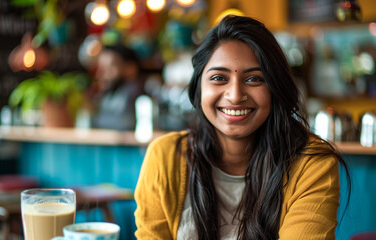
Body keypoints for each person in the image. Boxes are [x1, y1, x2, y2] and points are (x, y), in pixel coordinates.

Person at [134, 15, 350, 240]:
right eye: (218, 78)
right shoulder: (165, 156)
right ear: (199, 88)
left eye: (254, 79)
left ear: (275, 87)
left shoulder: (311, 165)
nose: (235, 96)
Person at [89, 44, 144, 130]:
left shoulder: (138, 98)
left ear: (131, 69)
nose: (100, 75)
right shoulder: (107, 95)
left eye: (109, 68)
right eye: (101, 69)